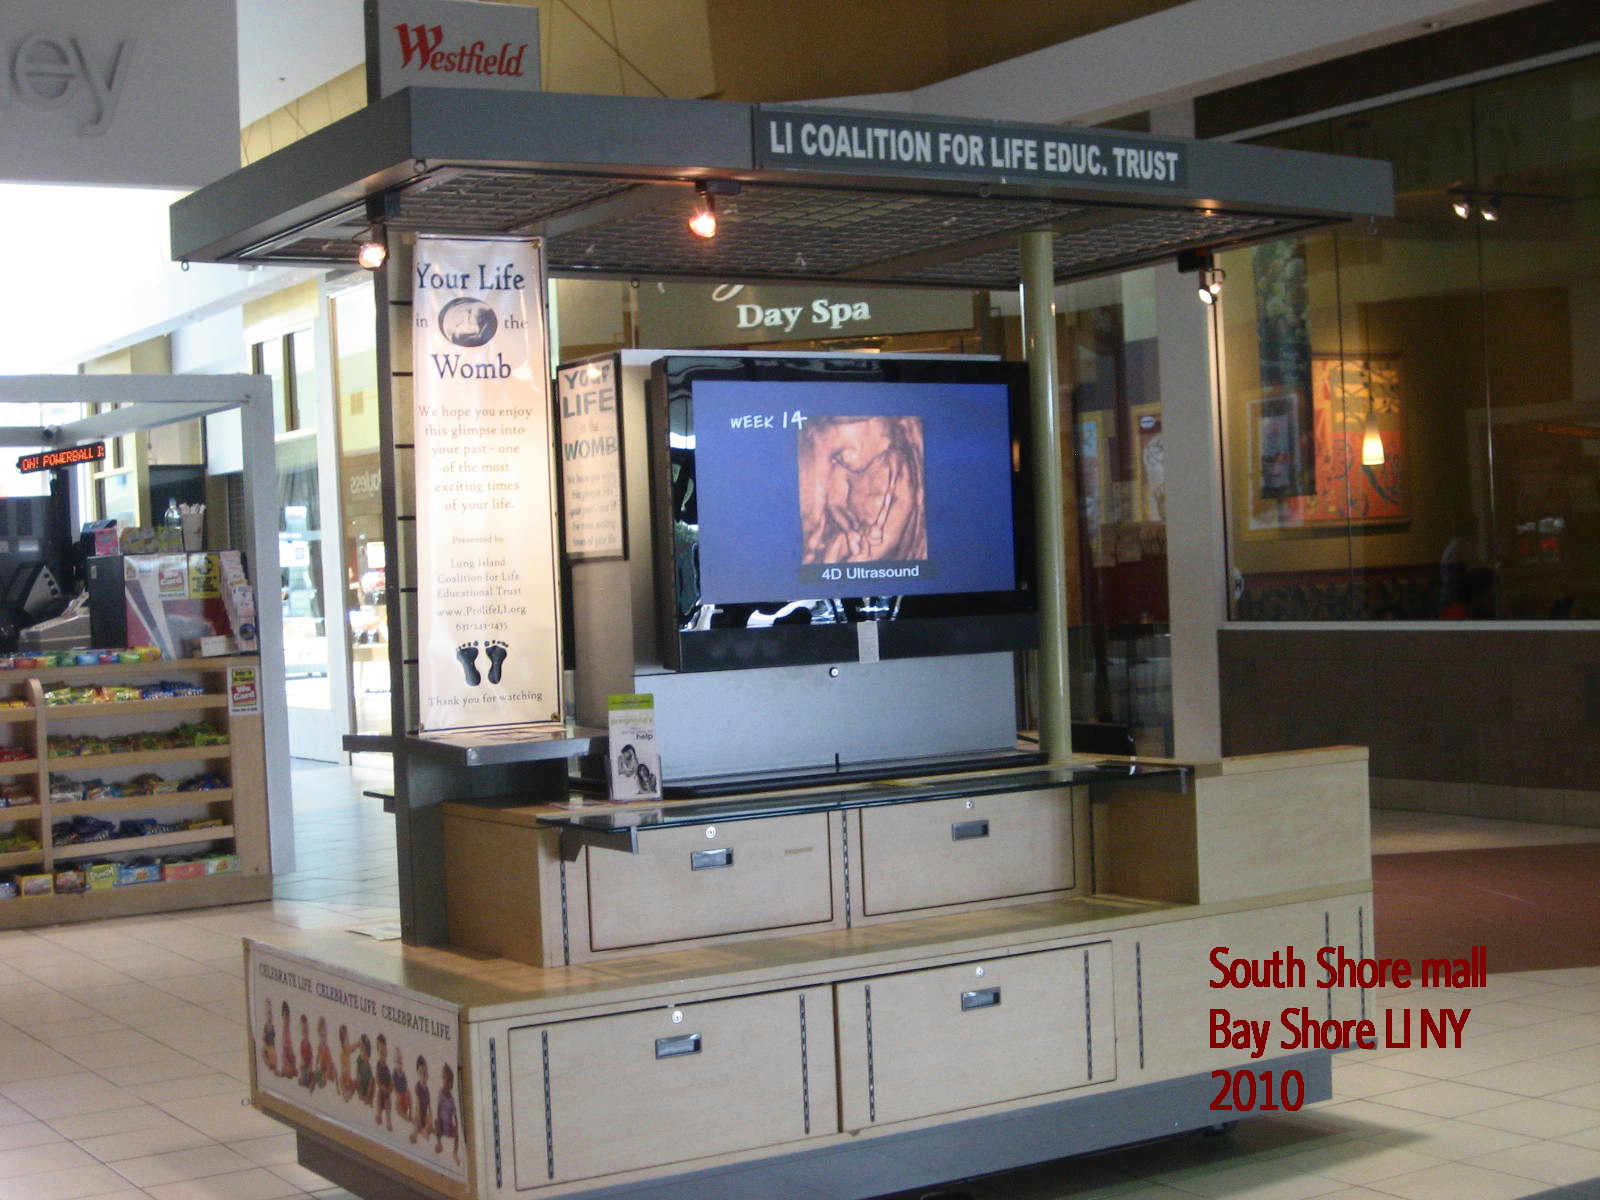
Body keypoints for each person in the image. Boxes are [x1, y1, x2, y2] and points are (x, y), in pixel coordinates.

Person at [435, 1062, 459, 1162]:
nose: (447, 1083)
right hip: (441, 1124)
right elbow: (438, 1108)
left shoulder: (452, 1099)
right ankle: (439, 1142)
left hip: (448, 1126)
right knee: (436, 1122)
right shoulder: (440, 1093)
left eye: (450, 1081)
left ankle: (455, 1152)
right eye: (445, 1079)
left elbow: (455, 1115)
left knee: (457, 1133)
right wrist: (439, 1120)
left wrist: (456, 1126)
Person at [410, 1055, 432, 1145]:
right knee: (416, 1123)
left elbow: (429, 1105)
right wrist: (419, 1117)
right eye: (420, 1072)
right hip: (419, 1114)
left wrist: (430, 1116)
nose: (423, 1075)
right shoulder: (417, 1086)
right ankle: (415, 1134)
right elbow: (418, 1103)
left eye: (424, 1072)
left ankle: (424, 1130)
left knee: (429, 1121)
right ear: (417, 1074)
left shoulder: (427, 1089)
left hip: (425, 1114)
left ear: (427, 1074)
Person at [374, 1034, 394, 1129]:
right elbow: (377, 1078)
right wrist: (380, 1086)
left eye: (384, 1052)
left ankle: (388, 1121)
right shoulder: (378, 1065)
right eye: (381, 1052)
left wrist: (389, 1089)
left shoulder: (387, 1068)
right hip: (381, 1090)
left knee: (387, 1102)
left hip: (387, 1093)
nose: (383, 1054)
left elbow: (391, 1081)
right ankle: (379, 1114)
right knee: (378, 1096)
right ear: (378, 1052)